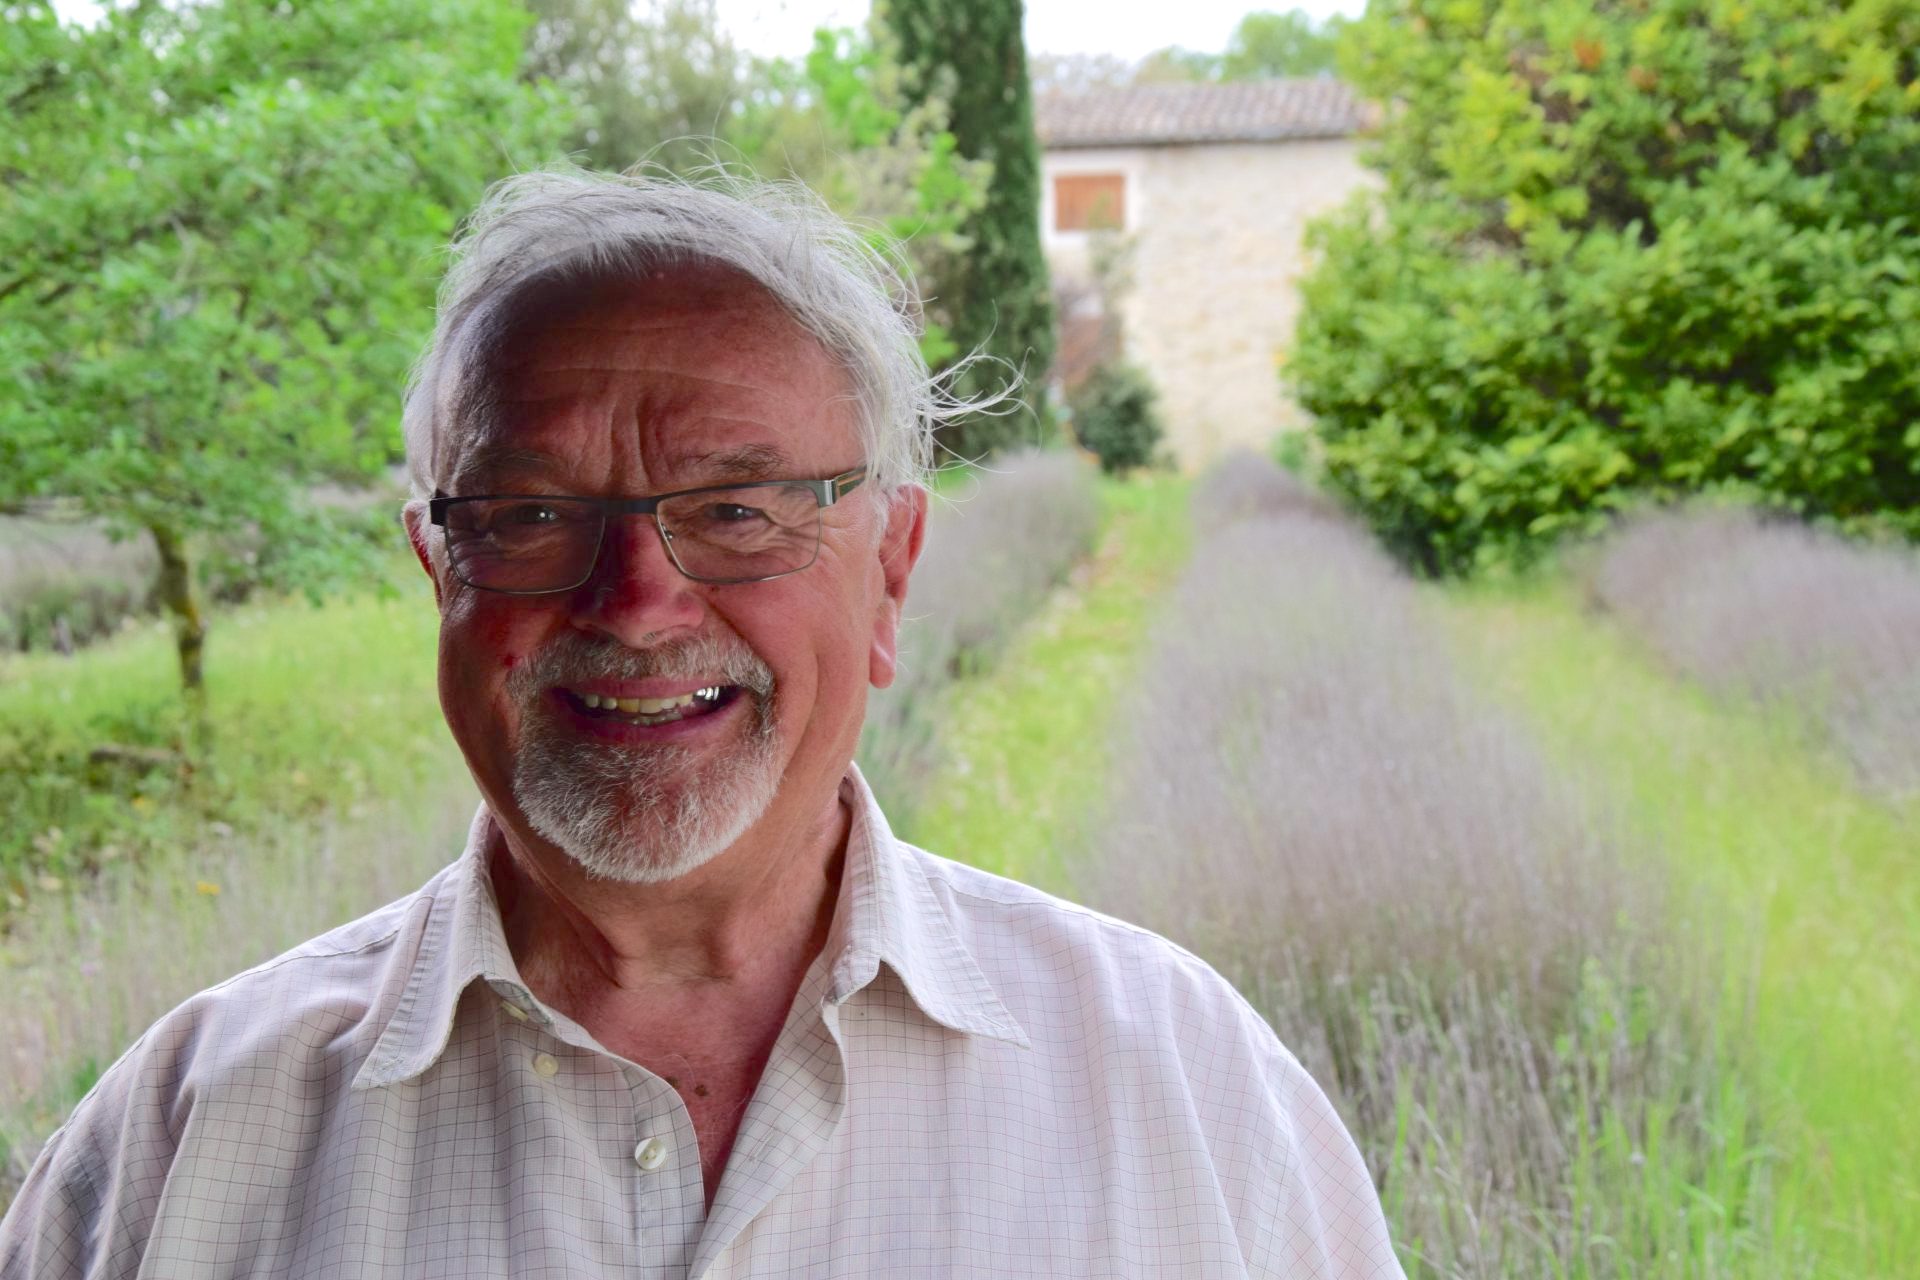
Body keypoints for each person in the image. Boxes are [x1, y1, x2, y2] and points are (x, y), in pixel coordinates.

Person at [0, 170, 1403, 1278]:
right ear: (440, 571)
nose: (640, 599)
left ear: (893, 575)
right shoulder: (185, 1138)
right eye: (534, 513)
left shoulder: (1183, 1085)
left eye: (738, 508)